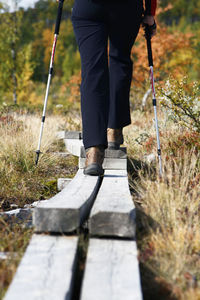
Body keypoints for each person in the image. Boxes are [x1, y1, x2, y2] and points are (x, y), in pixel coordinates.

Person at [71, 0, 157, 176]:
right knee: (120, 60)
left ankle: (94, 152)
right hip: (126, 7)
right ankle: (113, 130)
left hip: (88, 6)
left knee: (92, 70)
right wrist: (150, 12)